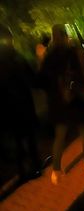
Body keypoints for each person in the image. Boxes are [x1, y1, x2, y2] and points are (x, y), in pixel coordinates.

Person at [40, 24, 84, 185]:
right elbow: (83, 74)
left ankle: (56, 172)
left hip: (58, 102)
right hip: (75, 98)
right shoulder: (72, 52)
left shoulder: (49, 56)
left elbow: (41, 80)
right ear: (65, 35)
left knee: (59, 136)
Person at [0, 24, 42, 181]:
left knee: (18, 140)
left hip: (8, 107)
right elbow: (33, 80)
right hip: (23, 104)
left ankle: (23, 171)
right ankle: (35, 167)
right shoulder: (19, 58)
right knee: (29, 138)